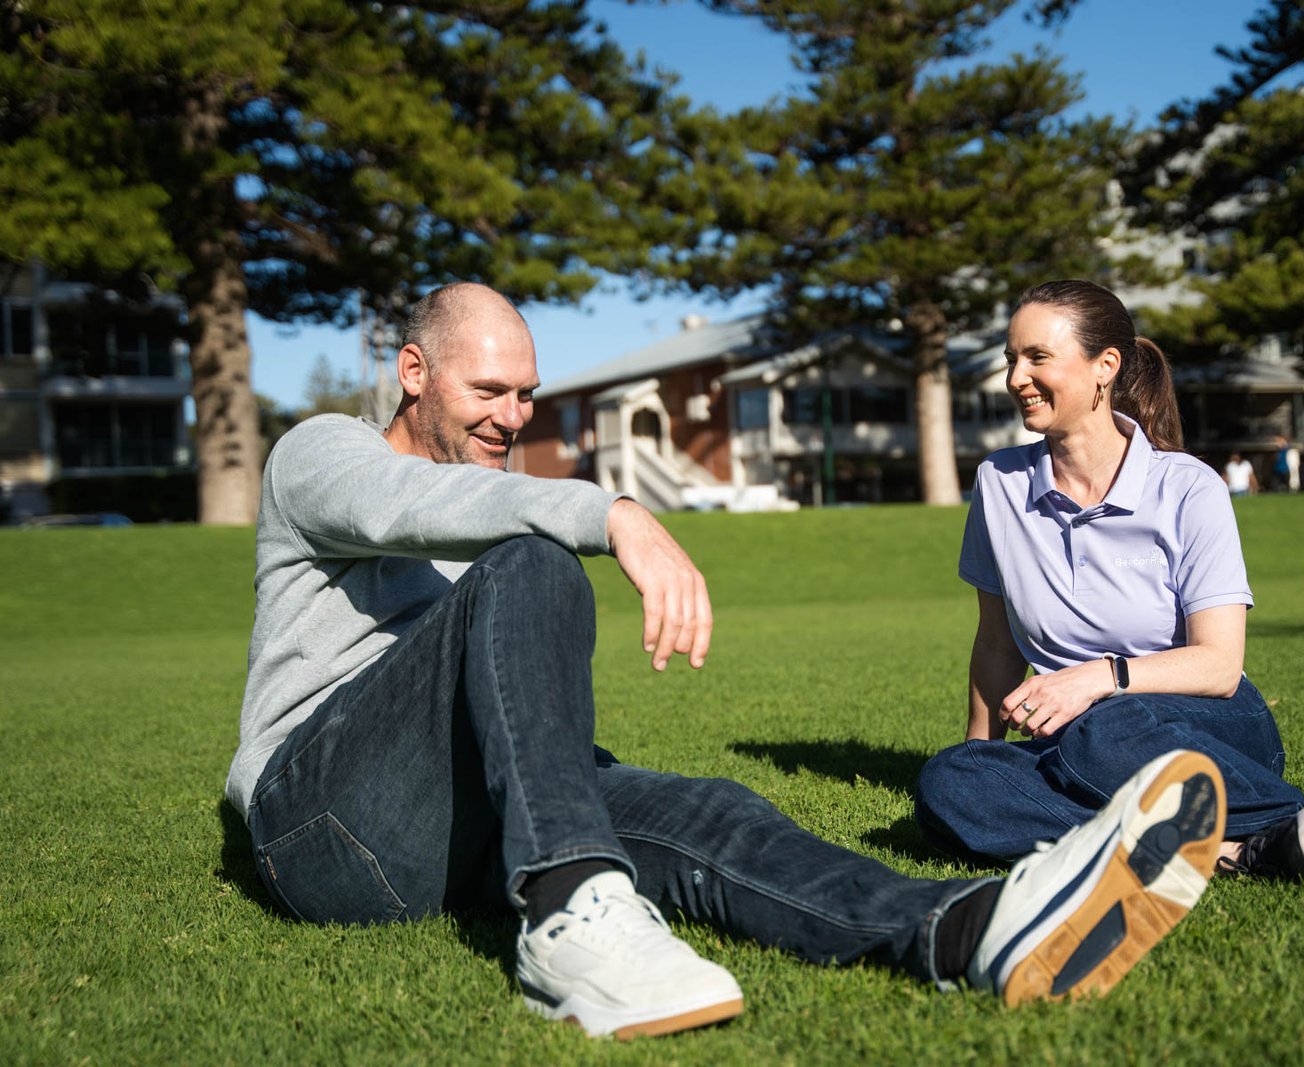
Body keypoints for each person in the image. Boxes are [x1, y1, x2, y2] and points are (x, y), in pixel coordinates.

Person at [227, 281, 1229, 1041]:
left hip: (450, 830)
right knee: (531, 561)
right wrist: (614, 513)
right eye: (488, 390)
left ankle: (968, 928)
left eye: (526, 394)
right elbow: (407, 507)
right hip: (316, 821)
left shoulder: (492, 494)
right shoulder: (322, 454)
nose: (514, 416)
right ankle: (572, 913)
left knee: (709, 810)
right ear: (412, 373)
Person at [914, 280, 1304, 887]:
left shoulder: (1189, 487)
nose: (1017, 377)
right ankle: (1230, 851)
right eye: (1011, 358)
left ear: (1105, 367)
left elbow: (1219, 666)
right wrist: (981, 754)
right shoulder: (999, 483)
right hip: (1065, 745)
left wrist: (1096, 680)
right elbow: (996, 642)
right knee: (948, 783)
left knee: (1102, 730)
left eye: (1037, 357)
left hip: (1205, 727)